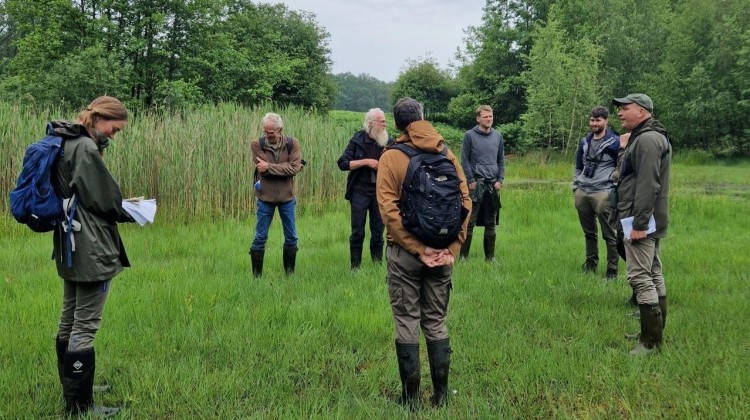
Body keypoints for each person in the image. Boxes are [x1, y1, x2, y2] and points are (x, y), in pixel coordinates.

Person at [376, 97, 471, 408]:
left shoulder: (391, 156)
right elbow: (466, 203)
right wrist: (453, 247)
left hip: (404, 254)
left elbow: (388, 211)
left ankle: (411, 399)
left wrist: (418, 248)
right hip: (443, 252)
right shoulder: (447, 152)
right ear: (422, 117)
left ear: (399, 124)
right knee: (436, 319)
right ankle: (441, 398)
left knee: (406, 319)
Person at [51, 96, 132, 416]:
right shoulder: (84, 148)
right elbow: (106, 199)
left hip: (69, 241)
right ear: (99, 118)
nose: (113, 135)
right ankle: (81, 406)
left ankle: (75, 385)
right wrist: (131, 208)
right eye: (114, 129)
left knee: (69, 317)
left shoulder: (65, 139)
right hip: (90, 246)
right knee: (85, 324)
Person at [612, 93, 672, 355]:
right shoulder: (646, 137)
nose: (620, 113)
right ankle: (652, 334)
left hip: (641, 217)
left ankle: (650, 342)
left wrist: (639, 223)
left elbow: (649, 184)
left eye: (625, 108)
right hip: (645, 216)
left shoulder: (647, 139)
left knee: (639, 275)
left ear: (642, 111)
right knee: (654, 270)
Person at [337, 108, 394, 270]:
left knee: (378, 233)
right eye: (381, 121)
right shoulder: (357, 139)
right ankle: (355, 268)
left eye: (385, 121)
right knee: (357, 232)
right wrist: (366, 162)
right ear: (371, 124)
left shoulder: (389, 141)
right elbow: (342, 163)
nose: (385, 124)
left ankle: (377, 267)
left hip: (380, 193)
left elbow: (396, 166)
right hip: (359, 192)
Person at [249, 112, 303, 277]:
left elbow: (293, 168)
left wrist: (272, 167)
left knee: (292, 237)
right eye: (265, 131)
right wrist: (287, 168)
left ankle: (289, 276)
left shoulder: (292, 143)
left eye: (270, 133)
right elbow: (263, 170)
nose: (267, 135)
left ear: (280, 130)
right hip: (265, 197)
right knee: (260, 237)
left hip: (287, 197)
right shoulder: (256, 144)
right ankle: (256, 278)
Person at [572, 106, 621, 279]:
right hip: (583, 190)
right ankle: (591, 264)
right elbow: (578, 165)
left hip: (603, 191)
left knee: (609, 233)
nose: (594, 123)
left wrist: (612, 185)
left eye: (598, 120)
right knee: (589, 232)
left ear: (606, 121)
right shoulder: (585, 141)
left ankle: (612, 269)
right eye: (592, 120)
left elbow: (620, 165)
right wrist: (576, 185)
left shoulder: (615, 142)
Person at [459, 105, 505, 262]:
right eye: (485, 116)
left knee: (491, 221)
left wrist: (500, 180)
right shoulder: (469, 136)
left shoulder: (498, 136)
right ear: (478, 118)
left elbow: (501, 160)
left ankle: (490, 258)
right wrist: (470, 180)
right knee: (469, 221)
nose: (489, 119)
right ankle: (463, 257)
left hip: (493, 185)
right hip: (476, 184)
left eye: (491, 116)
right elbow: (464, 159)